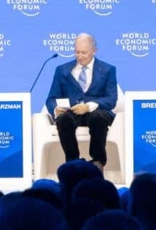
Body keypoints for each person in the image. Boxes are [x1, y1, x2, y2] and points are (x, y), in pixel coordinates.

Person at [45, 33, 119, 170]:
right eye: (77, 52)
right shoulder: (62, 70)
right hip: (72, 112)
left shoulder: (108, 70)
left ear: (94, 50)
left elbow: (111, 99)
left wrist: (88, 107)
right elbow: (51, 99)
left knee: (98, 118)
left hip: (97, 111)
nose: (80, 56)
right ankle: (73, 163)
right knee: (63, 120)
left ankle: (98, 162)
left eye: (84, 52)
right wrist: (55, 109)